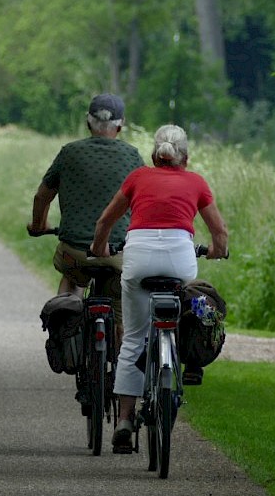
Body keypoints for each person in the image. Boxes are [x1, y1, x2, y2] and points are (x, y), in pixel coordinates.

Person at [89, 124, 228, 454]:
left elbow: (105, 222)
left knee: (134, 337)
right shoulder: (196, 182)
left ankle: (124, 420)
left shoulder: (138, 177)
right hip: (180, 263)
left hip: (138, 261)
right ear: (186, 157)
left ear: (155, 155)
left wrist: (100, 248)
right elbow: (219, 232)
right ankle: (179, 357)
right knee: (178, 310)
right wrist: (216, 250)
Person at [27, 93, 144, 332]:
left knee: (71, 277)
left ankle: (64, 332)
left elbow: (42, 196)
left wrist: (39, 225)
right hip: (117, 254)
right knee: (118, 301)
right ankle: (118, 348)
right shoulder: (132, 157)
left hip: (75, 252)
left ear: (88, 122)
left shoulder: (69, 153)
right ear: (120, 126)